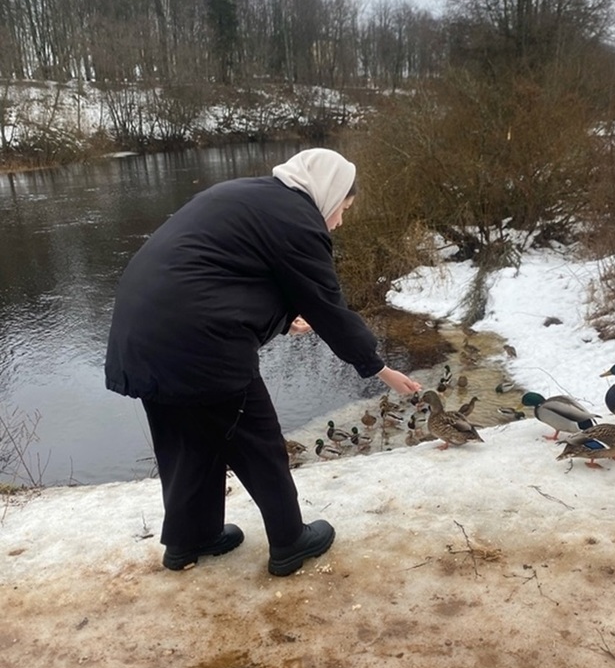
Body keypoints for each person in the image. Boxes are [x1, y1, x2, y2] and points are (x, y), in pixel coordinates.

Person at [105, 148, 421, 576]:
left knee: (186, 438)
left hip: (141, 335)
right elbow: (328, 306)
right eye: (342, 209)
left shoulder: (250, 195)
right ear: (327, 194)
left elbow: (222, 273)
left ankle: (189, 539)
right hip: (199, 342)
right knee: (258, 442)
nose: (340, 221)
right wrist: (377, 367)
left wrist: (281, 319)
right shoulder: (297, 218)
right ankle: (290, 542)